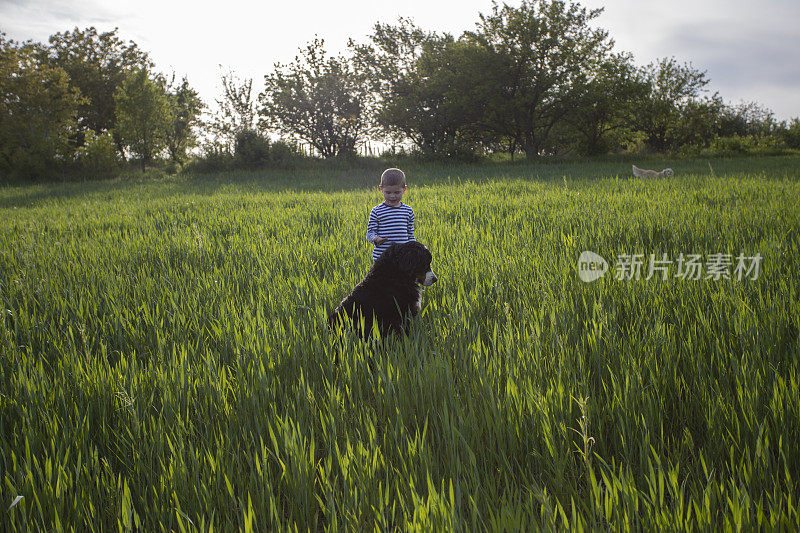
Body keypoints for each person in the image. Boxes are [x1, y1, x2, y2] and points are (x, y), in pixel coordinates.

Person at [366, 168, 415, 260]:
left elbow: (410, 235)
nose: (392, 196)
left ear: (404, 189)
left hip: (402, 259)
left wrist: (413, 251)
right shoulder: (376, 211)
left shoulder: (408, 211)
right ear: (381, 189)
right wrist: (375, 239)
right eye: (388, 192)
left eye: (397, 192)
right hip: (382, 259)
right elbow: (370, 232)